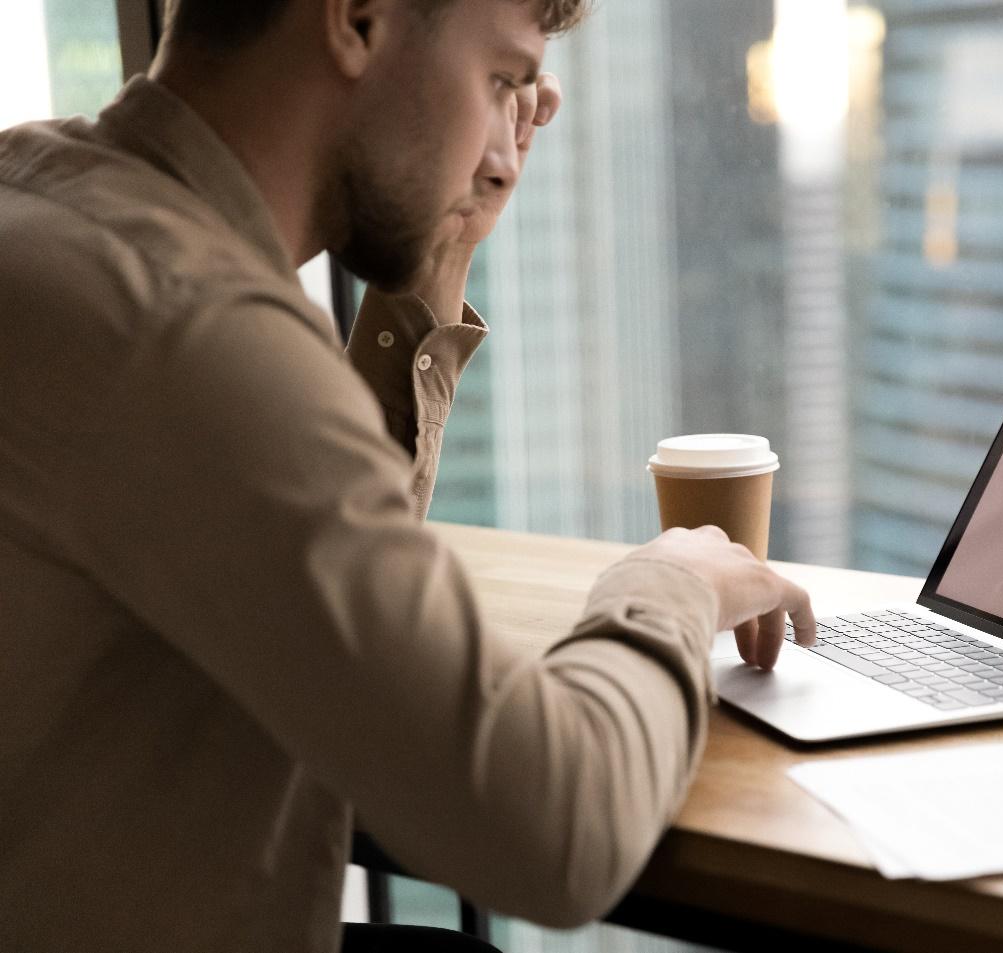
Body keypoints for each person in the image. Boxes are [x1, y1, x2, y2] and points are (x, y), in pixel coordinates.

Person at [0, 1, 816, 951]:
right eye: (502, 79)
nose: (503, 140)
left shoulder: (46, 202)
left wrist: (442, 242)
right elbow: (554, 833)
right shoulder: (188, 332)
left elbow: (299, 567)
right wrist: (669, 586)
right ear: (356, 18)